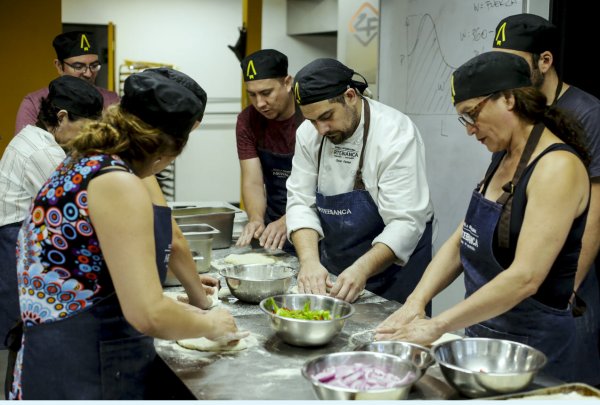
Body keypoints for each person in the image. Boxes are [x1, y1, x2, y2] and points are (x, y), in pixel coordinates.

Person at [8, 69, 243, 400]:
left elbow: (88, 273)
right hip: (84, 363)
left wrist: (182, 309)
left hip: (51, 350)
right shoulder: (118, 182)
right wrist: (213, 324)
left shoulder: (84, 160)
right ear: (164, 150)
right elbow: (147, 313)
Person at [376, 52, 590, 383]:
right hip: (485, 343)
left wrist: (438, 325)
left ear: (508, 99)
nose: (470, 129)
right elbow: (463, 238)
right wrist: (415, 302)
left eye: (471, 115)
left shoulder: (557, 168)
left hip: (535, 353)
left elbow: (525, 277)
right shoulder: (503, 157)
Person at [492, 13, 600, 385]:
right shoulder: (514, 109)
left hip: (562, 288)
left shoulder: (588, 113)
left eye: (514, 62)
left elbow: (595, 215)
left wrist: (564, 296)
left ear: (545, 61)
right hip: (520, 282)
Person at [286, 58, 434, 306]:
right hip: (338, 266)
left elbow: (405, 222)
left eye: (327, 117)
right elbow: (300, 202)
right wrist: (310, 261)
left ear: (351, 96)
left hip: (395, 272)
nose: (321, 129)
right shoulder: (308, 134)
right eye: (312, 121)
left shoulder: (395, 134)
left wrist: (361, 270)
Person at [0, 75, 103, 353]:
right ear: (62, 117)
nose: (86, 137)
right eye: (84, 128)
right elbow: (79, 208)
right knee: (17, 341)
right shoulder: (41, 151)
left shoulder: (37, 138)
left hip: (19, 241)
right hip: (12, 245)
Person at [235, 49, 303, 252]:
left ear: (287, 83)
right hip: (273, 223)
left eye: (266, 93)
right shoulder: (248, 121)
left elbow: (323, 186)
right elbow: (253, 181)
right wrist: (256, 218)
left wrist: (290, 218)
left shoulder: (311, 118)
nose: (259, 104)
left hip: (313, 222)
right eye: (252, 95)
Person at [15, 30, 120, 134]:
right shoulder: (34, 103)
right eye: (78, 67)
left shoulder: (111, 100)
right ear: (59, 66)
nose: (88, 73)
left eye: (94, 66)